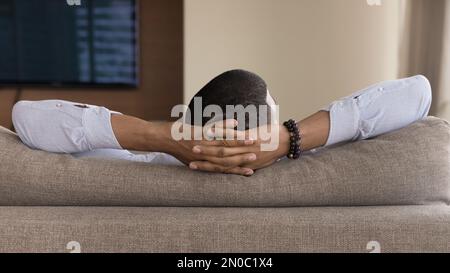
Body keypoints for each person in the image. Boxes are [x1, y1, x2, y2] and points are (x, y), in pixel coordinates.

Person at [11, 70, 432, 176]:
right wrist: (291, 138)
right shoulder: (308, 169)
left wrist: (161, 137)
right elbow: (417, 94)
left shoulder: (123, 168)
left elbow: (25, 116)